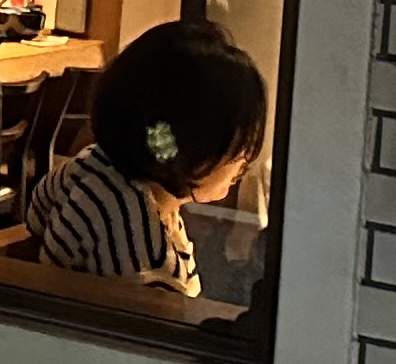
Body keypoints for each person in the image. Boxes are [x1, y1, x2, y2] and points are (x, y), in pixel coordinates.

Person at [28, 21, 262, 296]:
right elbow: (155, 315)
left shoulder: (94, 163)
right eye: (239, 146)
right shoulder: (144, 250)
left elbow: (36, 216)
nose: (245, 159)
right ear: (189, 147)